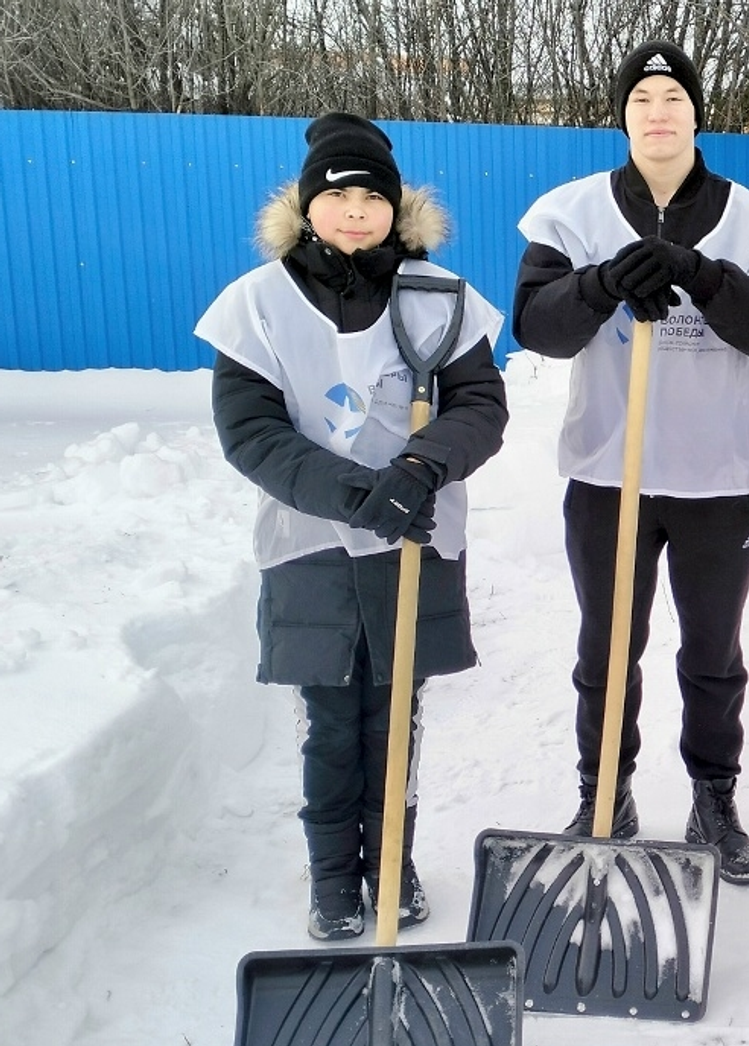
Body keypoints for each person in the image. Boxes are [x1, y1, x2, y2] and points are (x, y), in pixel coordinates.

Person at [196, 113, 508, 940]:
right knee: (331, 720)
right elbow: (251, 431)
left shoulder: (437, 297)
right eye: (339, 195)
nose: (358, 210)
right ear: (307, 208)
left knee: (394, 711)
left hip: (415, 534)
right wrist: (356, 493)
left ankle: (393, 864)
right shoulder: (256, 305)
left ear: (396, 207)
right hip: (310, 546)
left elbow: (480, 405)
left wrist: (420, 468)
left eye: (375, 194)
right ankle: (334, 876)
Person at [510, 41, 749, 885]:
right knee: (608, 647)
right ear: (623, 115)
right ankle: (604, 790)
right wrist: (602, 282)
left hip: (718, 478)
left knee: (712, 653)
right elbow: (537, 327)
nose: (657, 111)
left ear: (696, 113)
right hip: (612, 475)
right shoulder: (569, 215)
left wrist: (700, 275)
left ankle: (715, 799)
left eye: (673, 96)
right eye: (641, 98)